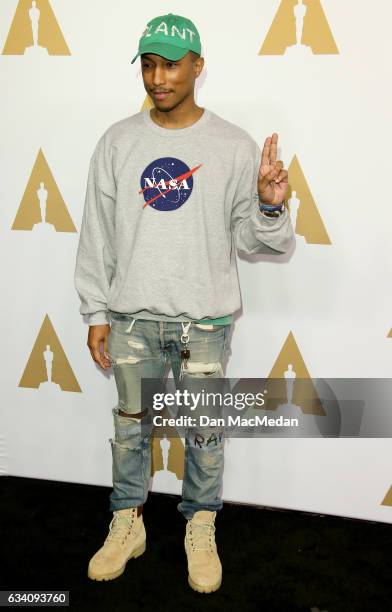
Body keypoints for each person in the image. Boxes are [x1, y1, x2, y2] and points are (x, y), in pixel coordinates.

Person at [74, 12, 294, 594]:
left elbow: (257, 240)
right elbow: (96, 233)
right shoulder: (118, 141)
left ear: (198, 66)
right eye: (148, 64)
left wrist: (270, 205)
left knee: (204, 432)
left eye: (170, 63)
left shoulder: (233, 145)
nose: (158, 77)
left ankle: (200, 523)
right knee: (129, 428)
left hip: (205, 320)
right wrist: (96, 312)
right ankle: (129, 522)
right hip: (132, 317)